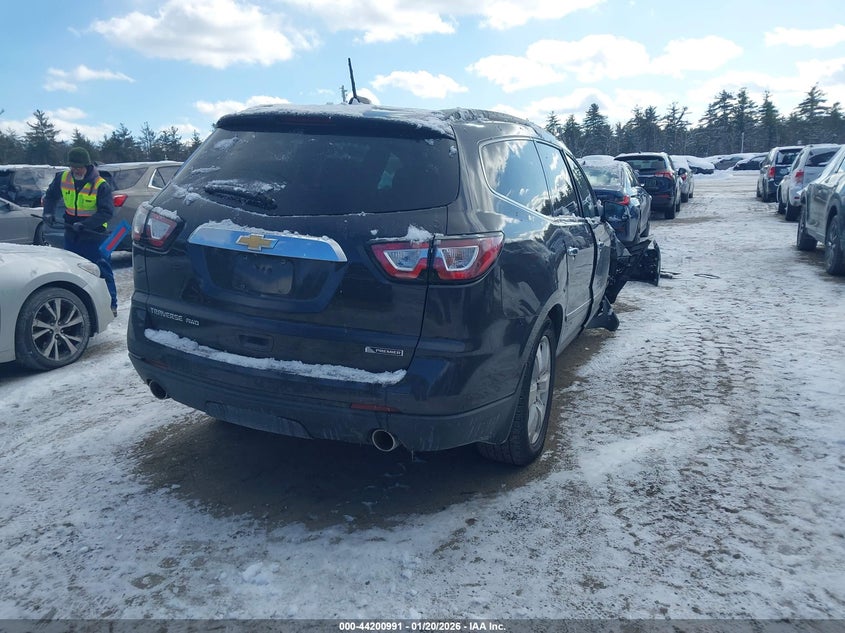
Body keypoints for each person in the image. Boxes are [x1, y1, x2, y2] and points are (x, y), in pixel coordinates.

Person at [43, 147, 118, 316]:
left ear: (87, 165)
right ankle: (77, 306)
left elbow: (107, 212)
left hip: (95, 236)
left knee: (102, 271)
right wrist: (48, 212)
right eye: (72, 166)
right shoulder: (62, 178)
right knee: (73, 270)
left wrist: (86, 224)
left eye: (79, 167)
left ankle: (111, 305)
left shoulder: (100, 185)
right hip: (72, 234)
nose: (76, 170)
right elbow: (50, 196)